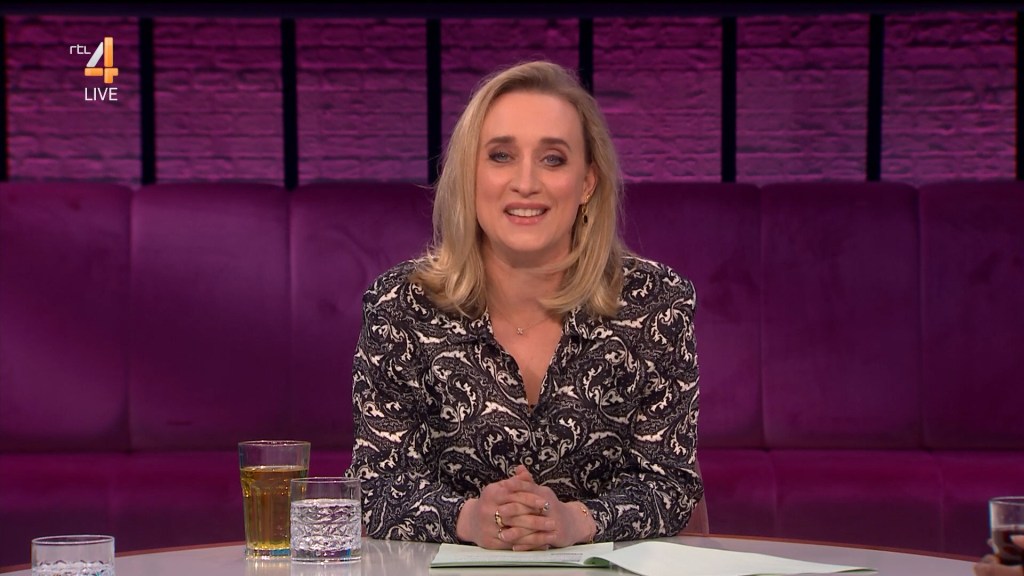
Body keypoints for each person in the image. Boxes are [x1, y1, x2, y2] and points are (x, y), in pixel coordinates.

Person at [346, 59, 703, 550]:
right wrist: (469, 519)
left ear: (587, 182)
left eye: (553, 159)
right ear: (469, 175)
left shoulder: (656, 304)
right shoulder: (399, 308)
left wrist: (576, 522)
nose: (526, 182)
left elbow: (671, 485)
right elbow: (375, 487)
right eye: (501, 156)